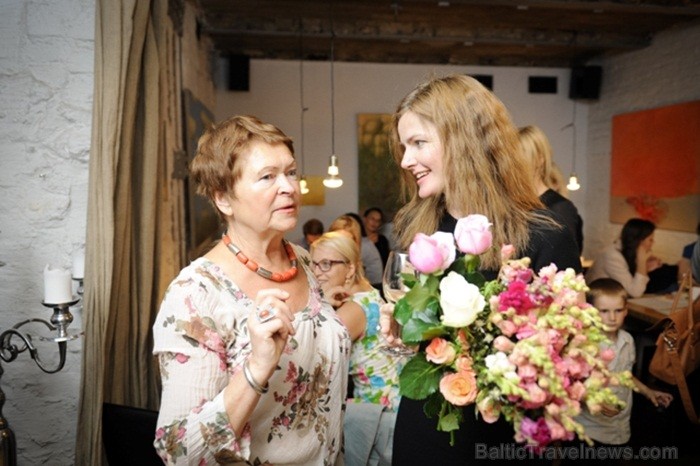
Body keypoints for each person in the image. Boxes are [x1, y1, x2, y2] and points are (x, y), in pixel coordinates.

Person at [382, 74, 582, 465]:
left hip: (499, 437)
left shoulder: (544, 237)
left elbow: (564, 365)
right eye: (404, 147)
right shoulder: (416, 227)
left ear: (463, 140)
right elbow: (414, 325)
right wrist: (404, 329)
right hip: (426, 428)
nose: (406, 161)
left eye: (419, 143)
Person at [152, 115, 350, 465]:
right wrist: (257, 366)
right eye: (267, 177)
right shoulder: (195, 295)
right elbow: (177, 451)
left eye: (290, 172)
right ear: (224, 199)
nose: (289, 187)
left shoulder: (301, 260)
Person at [310, 231, 406, 466]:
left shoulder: (353, 309)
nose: (317, 272)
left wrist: (319, 304)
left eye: (326, 264)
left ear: (351, 269)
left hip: (380, 420)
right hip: (395, 408)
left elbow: (311, 356)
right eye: (313, 264)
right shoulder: (369, 294)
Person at [572, 278, 673, 460]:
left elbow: (626, 375)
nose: (612, 317)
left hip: (620, 427)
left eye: (618, 310)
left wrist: (648, 391)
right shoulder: (585, 343)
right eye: (604, 311)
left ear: (626, 311)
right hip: (590, 430)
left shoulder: (628, 340)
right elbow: (573, 386)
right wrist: (594, 400)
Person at [518, 125, 584, 255]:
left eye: (521, 155)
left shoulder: (561, 208)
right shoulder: (516, 203)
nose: (513, 163)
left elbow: (565, 261)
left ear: (540, 159)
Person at [586, 218, 679, 297]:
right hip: (598, 302)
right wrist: (642, 262)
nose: (653, 243)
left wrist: (646, 268)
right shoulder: (612, 256)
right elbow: (635, 292)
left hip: (613, 299)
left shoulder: (627, 252)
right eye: (650, 239)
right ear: (639, 240)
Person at [330, 214, 384, 288]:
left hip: (375, 284)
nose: (341, 246)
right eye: (337, 240)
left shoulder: (364, 247)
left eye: (346, 241)